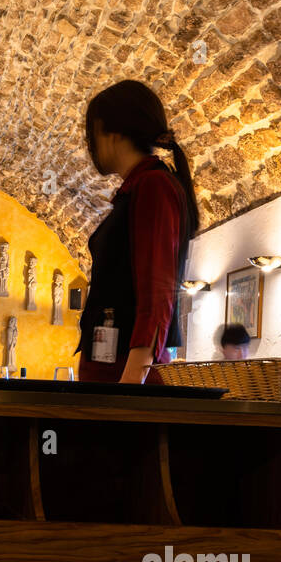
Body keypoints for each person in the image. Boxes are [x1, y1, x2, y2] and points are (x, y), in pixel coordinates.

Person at [76, 80, 200, 384]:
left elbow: (158, 293)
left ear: (112, 133)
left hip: (125, 374)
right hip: (112, 369)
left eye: (94, 133)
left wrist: (129, 388)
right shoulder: (137, 189)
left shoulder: (154, 186)